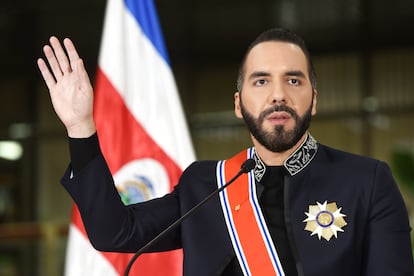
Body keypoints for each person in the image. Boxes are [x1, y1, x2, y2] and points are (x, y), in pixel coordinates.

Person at [37, 27, 413, 275]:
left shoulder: (367, 181)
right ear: (238, 103)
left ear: (313, 100)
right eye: (261, 80)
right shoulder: (206, 185)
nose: (278, 94)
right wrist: (80, 128)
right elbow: (114, 234)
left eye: (293, 80)